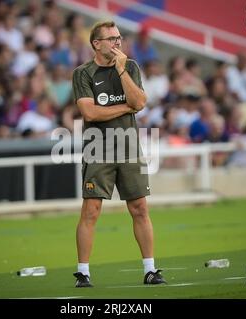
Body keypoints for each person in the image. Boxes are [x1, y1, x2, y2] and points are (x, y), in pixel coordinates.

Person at [71, 21, 166, 288]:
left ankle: (150, 269)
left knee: (140, 208)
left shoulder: (131, 66)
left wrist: (122, 69)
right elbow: (90, 113)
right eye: (111, 38)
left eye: (119, 38)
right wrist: (126, 108)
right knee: (91, 209)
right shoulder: (83, 73)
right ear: (96, 44)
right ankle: (83, 273)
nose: (117, 42)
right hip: (97, 147)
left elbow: (139, 102)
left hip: (128, 146)